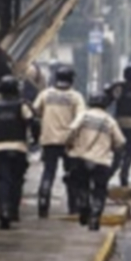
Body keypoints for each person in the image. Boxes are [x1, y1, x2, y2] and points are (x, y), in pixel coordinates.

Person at [0, 75, 40, 229]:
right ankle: (13, 211)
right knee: (17, 180)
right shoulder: (22, 106)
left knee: (1, 181)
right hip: (19, 148)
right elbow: (34, 123)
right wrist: (35, 140)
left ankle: (3, 210)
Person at [66, 93, 126, 231]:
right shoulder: (110, 121)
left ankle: (84, 207)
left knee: (82, 186)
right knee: (100, 190)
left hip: (81, 157)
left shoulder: (83, 116)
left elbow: (71, 131)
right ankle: (95, 217)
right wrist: (112, 148)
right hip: (101, 161)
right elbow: (121, 142)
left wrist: (69, 145)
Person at [33, 65, 86, 218]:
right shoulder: (75, 97)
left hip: (49, 140)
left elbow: (35, 111)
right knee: (71, 174)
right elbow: (81, 117)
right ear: (71, 80)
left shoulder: (45, 94)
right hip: (69, 142)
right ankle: (73, 207)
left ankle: (43, 203)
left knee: (48, 172)